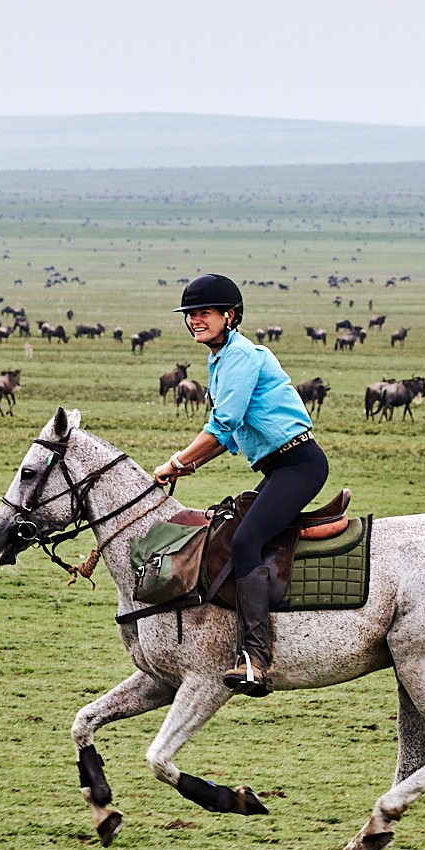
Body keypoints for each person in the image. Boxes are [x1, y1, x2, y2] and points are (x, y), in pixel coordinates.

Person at [152, 274, 327, 697]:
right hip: (278, 467)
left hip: (298, 465)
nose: (195, 320)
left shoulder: (241, 357)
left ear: (229, 316)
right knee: (232, 530)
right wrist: (185, 469)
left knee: (245, 543)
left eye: (204, 313)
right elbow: (227, 437)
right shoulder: (222, 359)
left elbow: (222, 425)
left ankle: (255, 659)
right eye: (190, 315)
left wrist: (177, 461)